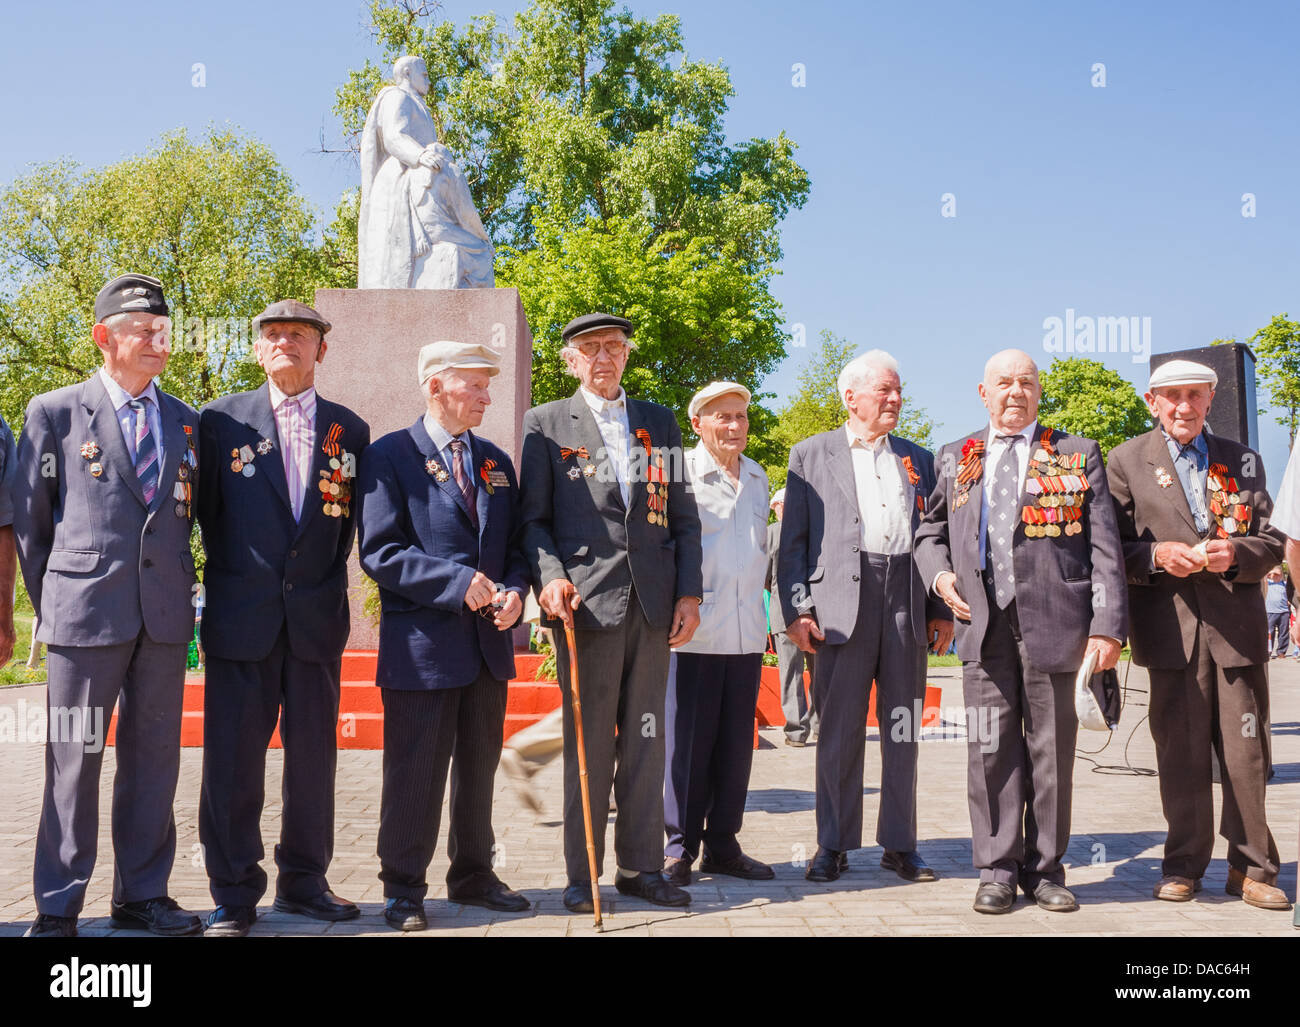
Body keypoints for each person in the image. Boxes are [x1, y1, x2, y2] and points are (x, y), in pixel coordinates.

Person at [14, 273, 202, 937]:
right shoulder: (55, 411)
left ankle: (142, 894)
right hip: (82, 617)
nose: (158, 340)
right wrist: (58, 601)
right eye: (142, 330)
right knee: (74, 760)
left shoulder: (186, 420)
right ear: (104, 337)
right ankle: (58, 904)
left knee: (154, 760)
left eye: (163, 330)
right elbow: (33, 526)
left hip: (162, 621)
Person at [914, 349, 1126, 915]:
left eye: (1025, 382)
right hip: (980, 624)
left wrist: (1107, 627)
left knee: (1051, 753)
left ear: (1039, 391)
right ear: (982, 394)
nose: (1015, 392)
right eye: (1003, 383)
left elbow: (1106, 548)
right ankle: (997, 869)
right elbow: (929, 529)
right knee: (990, 751)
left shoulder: (1077, 452)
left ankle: (1047, 870)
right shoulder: (955, 455)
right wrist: (938, 576)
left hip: (1060, 624)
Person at [196, 300, 370, 937]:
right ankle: (234, 893)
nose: (285, 343)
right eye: (272, 335)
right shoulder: (218, 422)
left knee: (313, 761)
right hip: (242, 620)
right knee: (233, 763)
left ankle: (304, 881)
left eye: (300, 335)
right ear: (256, 348)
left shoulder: (349, 430)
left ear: (321, 349)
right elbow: (206, 517)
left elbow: (346, 525)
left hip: (315, 622)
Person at [519, 312, 703, 913]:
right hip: (585, 607)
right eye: (591, 348)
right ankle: (584, 872)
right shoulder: (546, 424)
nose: (604, 357)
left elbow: (683, 518)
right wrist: (550, 580)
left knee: (648, 739)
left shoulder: (659, 424)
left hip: (653, 605)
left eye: (615, 347)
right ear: (571, 360)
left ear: (627, 356)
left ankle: (642, 867)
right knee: (589, 745)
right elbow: (534, 522)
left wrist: (689, 594)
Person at [358, 340, 531, 931]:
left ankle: (474, 874)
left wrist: (514, 591)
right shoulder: (389, 457)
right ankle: (403, 888)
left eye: (488, 385)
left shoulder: (496, 463)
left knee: (480, 769)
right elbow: (379, 551)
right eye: (475, 385)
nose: (487, 395)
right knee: (415, 773)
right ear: (435, 386)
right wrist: (456, 582)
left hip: (487, 647)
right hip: (423, 650)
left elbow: (512, 550)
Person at [1108, 359, 1289, 911]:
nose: (1183, 406)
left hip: (1236, 630)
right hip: (1170, 633)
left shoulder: (1243, 459)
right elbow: (1110, 549)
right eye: (1172, 396)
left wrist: (1236, 553)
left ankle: (1252, 868)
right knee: (1180, 755)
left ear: (1211, 399)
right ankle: (1183, 864)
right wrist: (1158, 556)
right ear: (1151, 401)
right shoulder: (1124, 461)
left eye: (1194, 395)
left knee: (1247, 754)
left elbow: (1275, 541)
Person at [778, 351, 951, 885]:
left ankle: (900, 845)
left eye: (899, 391)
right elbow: (794, 545)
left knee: (903, 729)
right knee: (838, 730)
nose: (895, 400)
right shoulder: (810, 454)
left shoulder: (919, 459)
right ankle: (832, 844)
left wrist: (940, 608)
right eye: (885, 391)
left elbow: (935, 538)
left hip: (905, 596)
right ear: (850, 396)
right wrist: (797, 609)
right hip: (837, 609)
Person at [663, 382, 774, 886]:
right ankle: (678, 846)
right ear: (697, 424)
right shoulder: (676, 474)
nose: (735, 427)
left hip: (747, 631)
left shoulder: (757, 477)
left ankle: (723, 844)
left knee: (735, 745)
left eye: (741, 417)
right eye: (722, 417)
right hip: (695, 634)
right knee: (688, 743)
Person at [358, 55, 495, 289]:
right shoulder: (396, 96)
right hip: (401, 176)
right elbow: (393, 136)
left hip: (421, 175)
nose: (429, 80)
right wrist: (420, 156)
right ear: (407, 73)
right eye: (424, 74)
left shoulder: (418, 104)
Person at [765, 487, 817, 746]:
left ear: (778, 506)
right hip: (816, 613)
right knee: (820, 674)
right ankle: (821, 725)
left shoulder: (772, 533)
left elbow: (763, 576)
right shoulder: (813, 533)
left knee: (790, 673)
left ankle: (796, 732)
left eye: (775, 507)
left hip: (782, 614)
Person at [1264, 567, 1290, 658]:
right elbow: (1263, 576)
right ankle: (1268, 651)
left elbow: (1290, 594)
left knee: (1283, 633)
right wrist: (1271, 572)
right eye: (1274, 575)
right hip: (1270, 612)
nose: (1276, 576)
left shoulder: (1284, 584)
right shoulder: (1267, 583)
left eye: (1278, 575)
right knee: (1269, 633)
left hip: (1284, 612)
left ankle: (1281, 652)